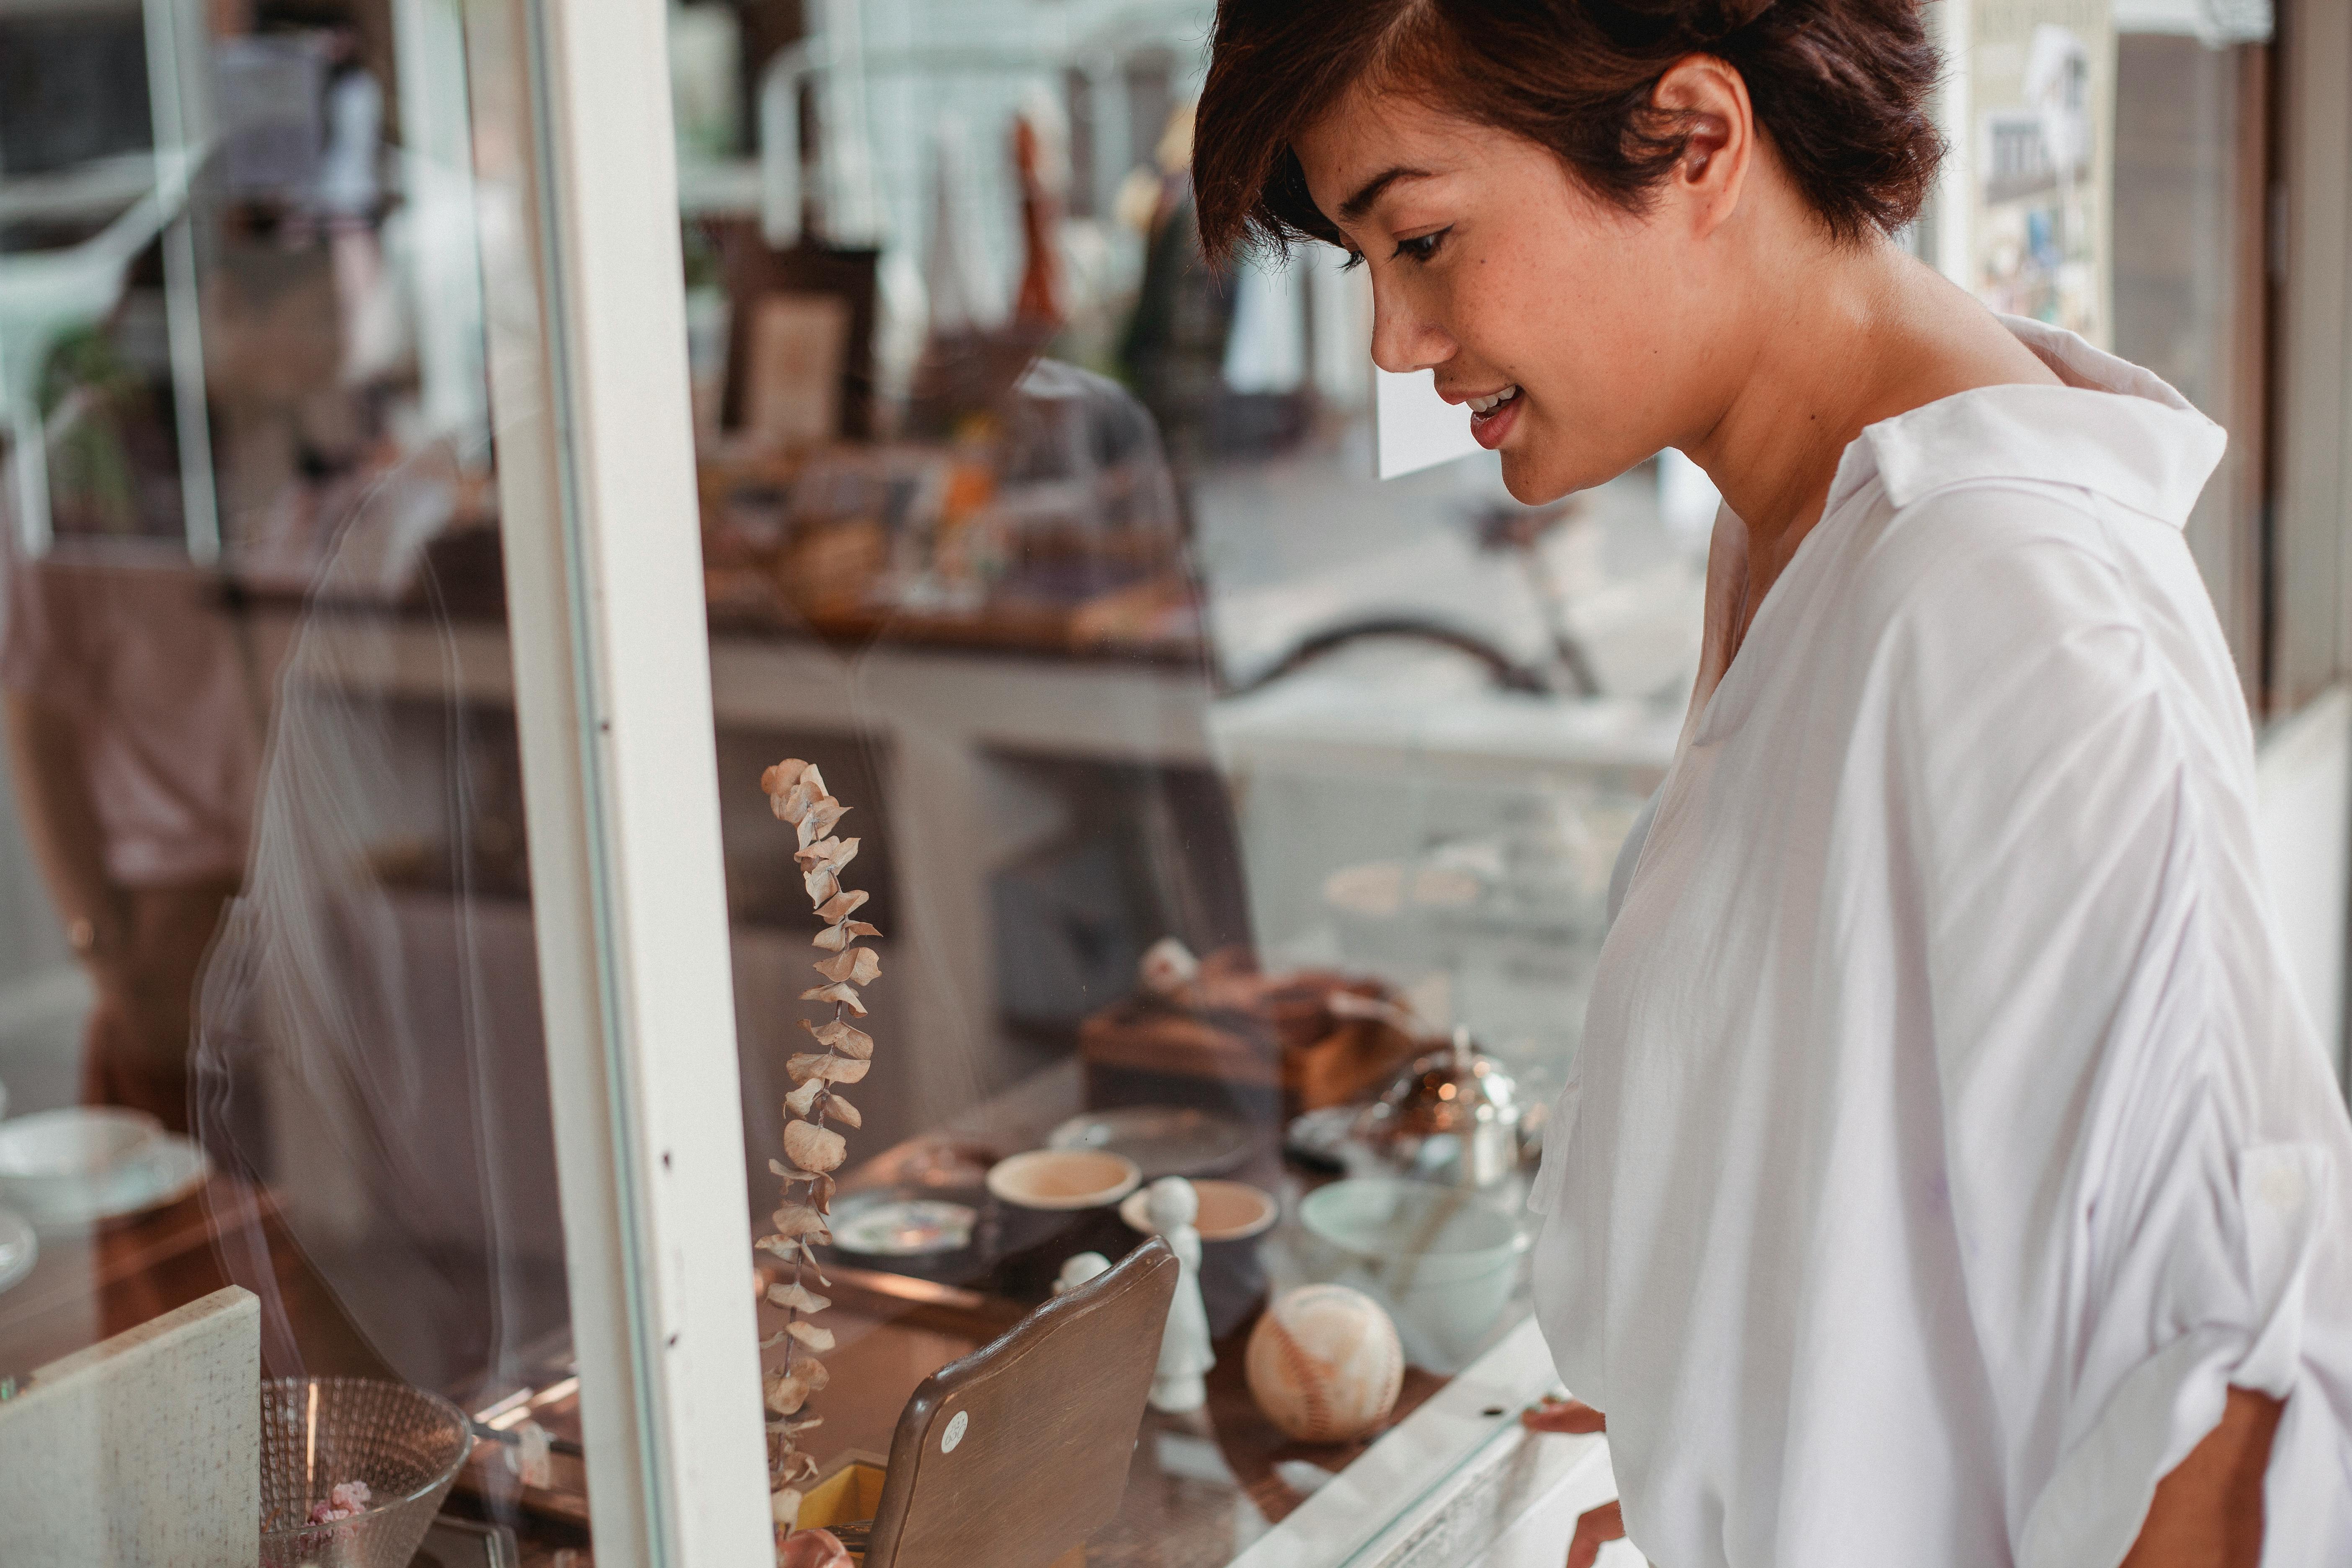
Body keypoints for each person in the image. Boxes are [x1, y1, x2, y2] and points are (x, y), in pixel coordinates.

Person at [1191, 2, 2352, 1565]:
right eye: (1365, 263)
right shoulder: (1802, 528)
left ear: (1695, 141)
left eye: (1424, 238)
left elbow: (2228, 1427)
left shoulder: (2009, 601)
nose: (1394, 341)